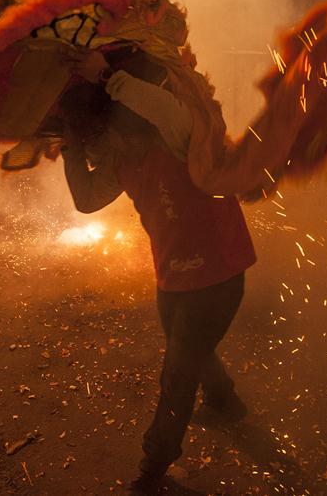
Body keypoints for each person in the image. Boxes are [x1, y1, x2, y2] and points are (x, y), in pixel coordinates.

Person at [60, 50, 255, 494]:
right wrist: (70, 149)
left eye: (100, 134)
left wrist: (108, 75)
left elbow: (161, 105)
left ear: (122, 121)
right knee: (186, 347)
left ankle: (155, 464)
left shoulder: (179, 135)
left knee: (177, 371)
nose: (98, 145)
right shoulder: (119, 160)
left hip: (220, 272)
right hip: (174, 275)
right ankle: (226, 401)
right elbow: (87, 199)